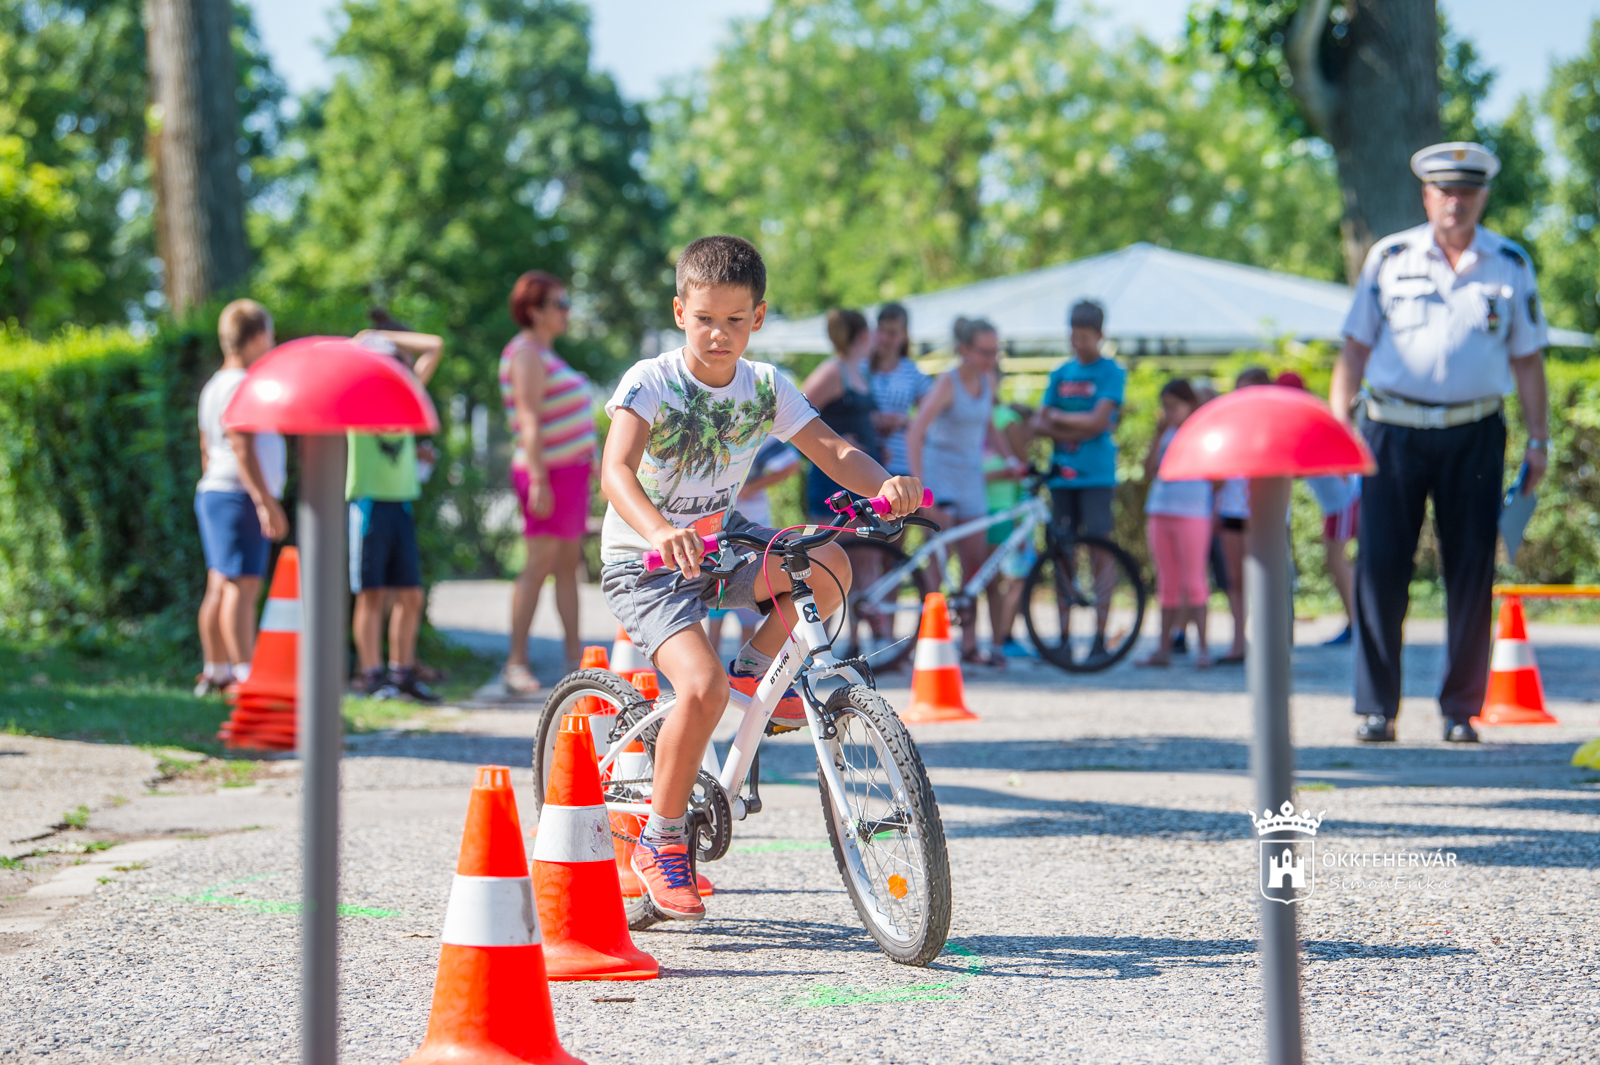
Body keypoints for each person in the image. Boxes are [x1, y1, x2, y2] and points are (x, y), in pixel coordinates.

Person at [599, 235, 921, 922]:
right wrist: (659, 530)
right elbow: (616, 472)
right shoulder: (650, 380)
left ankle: (754, 681)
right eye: (705, 318)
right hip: (647, 564)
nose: (719, 335)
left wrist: (887, 484)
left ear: (760, 317)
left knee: (829, 559)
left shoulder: (766, 387)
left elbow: (832, 449)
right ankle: (660, 839)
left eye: (736, 321)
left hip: (718, 550)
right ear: (680, 310)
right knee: (698, 685)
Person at [1330, 141, 1550, 745]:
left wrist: (1539, 440)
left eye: (1468, 191)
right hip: (1391, 429)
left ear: (1483, 197)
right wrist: (1338, 426)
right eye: (1445, 191)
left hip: (1475, 430)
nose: (1456, 202)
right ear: (1426, 195)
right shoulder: (1390, 256)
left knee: (1471, 569)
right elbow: (1354, 347)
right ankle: (1377, 709)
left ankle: (1460, 709)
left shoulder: (1509, 263)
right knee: (1380, 568)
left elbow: (1528, 361)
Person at [499, 271, 599, 695]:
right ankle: (515, 663)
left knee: (567, 568)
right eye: (559, 304)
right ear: (535, 311)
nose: (566, 312)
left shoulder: (547, 353)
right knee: (538, 566)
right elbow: (528, 420)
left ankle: (575, 661)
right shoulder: (525, 354)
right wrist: (539, 478)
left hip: (570, 475)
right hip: (546, 475)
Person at [907, 317, 1023, 665]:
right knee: (939, 565)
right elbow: (916, 432)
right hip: (940, 477)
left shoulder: (987, 381)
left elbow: (990, 427)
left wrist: (1011, 460)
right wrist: (919, 488)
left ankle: (970, 645)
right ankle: (924, 642)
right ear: (965, 350)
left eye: (996, 351)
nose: (992, 358)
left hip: (971, 478)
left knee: (976, 565)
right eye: (985, 352)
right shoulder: (948, 383)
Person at [193, 300, 288, 695]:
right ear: (256, 337)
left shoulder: (214, 385)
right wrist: (265, 501)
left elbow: (205, 446)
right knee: (242, 587)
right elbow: (243, 446)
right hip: (237, 494)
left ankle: (215, 671)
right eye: (269, 333)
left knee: (220, 583)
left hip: (215, 489)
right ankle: (245, 673)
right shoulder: (242, 385)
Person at [348, 323, 445, 703]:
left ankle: (402, 673)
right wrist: (367, 342)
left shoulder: (406, 397)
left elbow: (434, 345)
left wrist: (379, 333)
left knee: (410, 595)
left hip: (400, 504)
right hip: (368, 503)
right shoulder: (356, 400)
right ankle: (371, 676)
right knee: (371, 595)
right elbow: (353, 353)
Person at [1032, 299, 1126, 659]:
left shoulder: (1111, 372)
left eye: (1086, 337)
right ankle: (1064, 637)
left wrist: (1058, 419)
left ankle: (1101, 636)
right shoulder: (1061, 373)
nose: (1079, 343)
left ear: (1100, 335)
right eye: (1074, 336)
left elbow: (1098, 422)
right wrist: (1071, 421)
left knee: (1100, 551)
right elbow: (1039, 422)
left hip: (1096, 475)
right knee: (1062, 555)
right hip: (1062, 478)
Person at [1275, 371, 1359, 645]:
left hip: (1345, 500)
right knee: (1335, 560)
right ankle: (1355, 622)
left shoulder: (1310, 418)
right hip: (1334, 504)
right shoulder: (1304, 417)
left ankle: (1357, 624)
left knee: (1337, 561)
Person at [1137, 379, 1214, 669]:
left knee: (1194, 581)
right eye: (1165, 407)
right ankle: (1163, 649)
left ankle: (1203, 648)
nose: (1168, 413)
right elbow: (1148, 472)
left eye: (1174, 407)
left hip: (1193, 512)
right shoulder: (1165, 433)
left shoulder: (1202, 432)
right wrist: (1157, 436)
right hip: (1160, 510)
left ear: (1189, 405)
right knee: (1167, 583)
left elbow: (1215, 477)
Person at [707, 436, 801, 656]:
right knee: (716, 600)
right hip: (720, 530)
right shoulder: (714, 434)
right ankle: (716, 670)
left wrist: (753, 486)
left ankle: (742, 671)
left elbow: (792, 464)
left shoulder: (758, 436)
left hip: (751, 526)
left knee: (748, 600)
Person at [1214, 367, 1271, 663]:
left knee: (1265, 579)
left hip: (1263, 514)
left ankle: (1270, 644)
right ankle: (1238, 643)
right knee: (1235, 579)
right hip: (1232, 509)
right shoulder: (1229, 427)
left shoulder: (1273, 427)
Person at [802, 308, 882, 520]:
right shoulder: (832, 372)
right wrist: (838, 441)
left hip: (862, 477)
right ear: (864, 334)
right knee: (840, 548)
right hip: (834, 479)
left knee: (870, 550)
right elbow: (793, 415)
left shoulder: (859, 370)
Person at [868, 303, 931, 478]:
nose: (884, 338)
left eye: (892, 333)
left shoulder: (913, 373)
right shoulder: (861, 367)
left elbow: (933, 419)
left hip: (903, 464)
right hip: (866, 463)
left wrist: (902, 421)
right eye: (881, 331)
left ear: (904, 335)